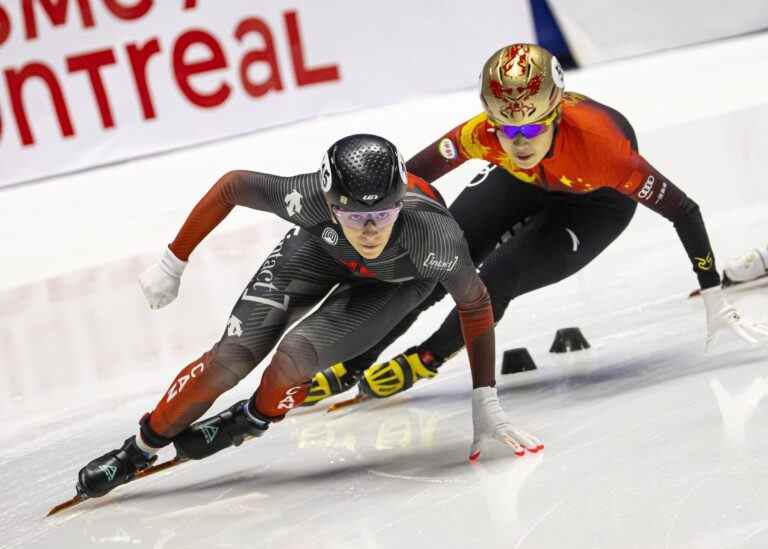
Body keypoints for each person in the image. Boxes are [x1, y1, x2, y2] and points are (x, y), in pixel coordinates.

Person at [74, 134, 544, 500]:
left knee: (295, 358)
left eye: (383, 215)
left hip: (396, 283)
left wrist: (486, 400)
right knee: (230, 358)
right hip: (317, 251)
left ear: (401, 201)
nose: (370, 230)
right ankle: (137, 451)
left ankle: (251, 420)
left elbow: (476, 305)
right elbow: (233, 185)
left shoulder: (433, 237)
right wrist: (173, 261)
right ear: (329, 200)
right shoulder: (307, 198)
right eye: (355, 217)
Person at [304, 44, 768, 407]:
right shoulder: (486, 135)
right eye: (506, 129)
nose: (518, 141)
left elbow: (684, 210)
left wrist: (712, 292)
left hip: (593, 205)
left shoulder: (603, 150)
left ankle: (428, 356)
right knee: (434, 261)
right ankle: (355, 361)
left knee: (497, 278)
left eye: (530, 130)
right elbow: (410, 177)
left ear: (556, 115)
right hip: (522, 183)